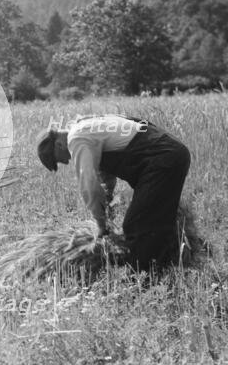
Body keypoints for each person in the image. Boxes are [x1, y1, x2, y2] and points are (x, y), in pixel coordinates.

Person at [36, 114, 191, 271]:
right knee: (157, 219)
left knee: (136, 225)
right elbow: (106, 178)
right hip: (169, 152)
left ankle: (143, 278)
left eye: (58, 160)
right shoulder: (87, 125)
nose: (66, 161)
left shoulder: (76, 138)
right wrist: (108, 207)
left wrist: (101, 225)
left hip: (162, 158)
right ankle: (167, 266)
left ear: (58, 145)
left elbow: (89, 185)